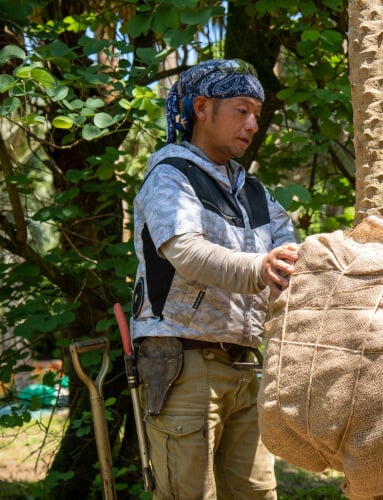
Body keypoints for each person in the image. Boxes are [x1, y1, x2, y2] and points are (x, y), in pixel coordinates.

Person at [130, 58, 298, 499]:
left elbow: (293, 258)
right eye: (242, 110)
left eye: (257, 114)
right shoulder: (170, 177)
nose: (253, 124)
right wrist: (259, 268)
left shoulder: (256, 194)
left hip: (246, 365)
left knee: (258, 493)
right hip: (184, 363)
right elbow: (186, 251)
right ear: (202, 107)